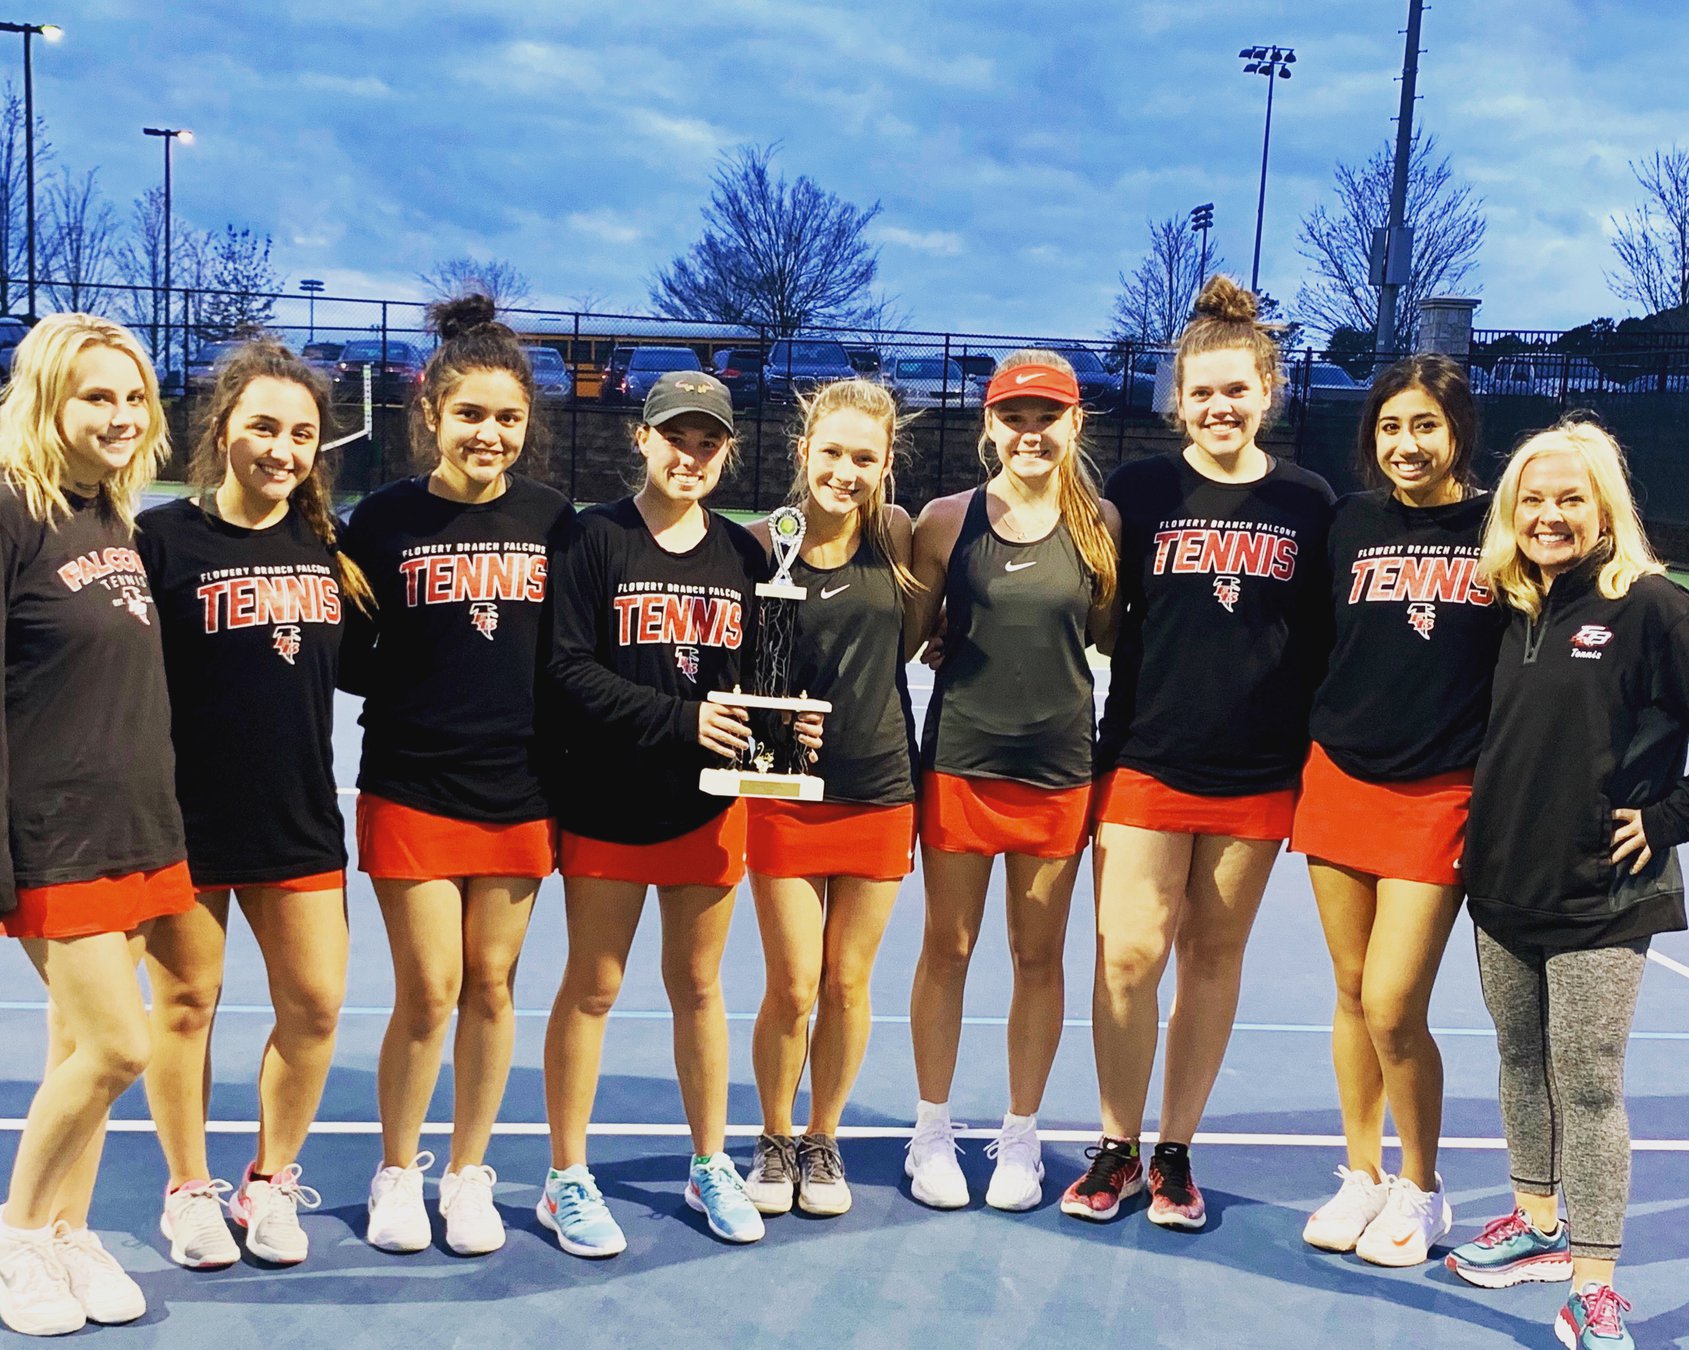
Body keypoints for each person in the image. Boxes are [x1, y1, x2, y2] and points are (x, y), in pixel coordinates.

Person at [1073, 277, 1334, 1229]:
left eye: (1236, 391)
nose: (1218, 408)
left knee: (1210, 960)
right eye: (1201, 393)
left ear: (1267, 392)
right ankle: (1115, 1145)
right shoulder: (1136, 491)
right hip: (1146, 753)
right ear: (1174, 401)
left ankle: (1175, 1152)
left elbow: (1326, 639)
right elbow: (1082, 600)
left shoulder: (1308, 501)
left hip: (1258, 771)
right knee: (1126, 958)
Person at [543, 370, 811, 1253]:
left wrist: (787, 730)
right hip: (607, 804)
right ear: (641, 438)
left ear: (728, 451)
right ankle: (566, 1178)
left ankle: (708, 1163)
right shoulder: (593, 540)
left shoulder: (745, 556)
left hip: (705, 810)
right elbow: (568, 672)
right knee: (594, 988)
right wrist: (681, 720)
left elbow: (757, 683)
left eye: (707, 442)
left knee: (698, 989)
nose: (688, 456)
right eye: (674, 438)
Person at [339, 295, 574, 1257]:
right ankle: (400, 1170)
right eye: (470, 413)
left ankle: (469, 1172)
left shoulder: (558, 522)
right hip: (411, 782)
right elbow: (345, 653)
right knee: (429, 987)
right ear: (430, 410)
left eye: (508, 417)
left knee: (490, 986)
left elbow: (576, 655)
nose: (490, 432)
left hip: (520, 789)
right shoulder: (381, 521)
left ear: (527, 425)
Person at [1443, 420, 1685, 1350]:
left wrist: (1666, 822)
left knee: (1587, 1084)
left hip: (1602, 895)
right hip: (1502, 883)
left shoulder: (1651, 606)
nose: (1549, 515)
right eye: (1532, 499)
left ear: (1603, 508)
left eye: (1568, 498)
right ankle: (1536, 1221)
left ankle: (1593, 1283)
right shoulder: (1509, 605)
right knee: (1517, 1060)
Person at [136, 341, 373, 1268]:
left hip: (299, 818)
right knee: (186, 1004)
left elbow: (377, 665)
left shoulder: (326, 544)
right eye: (265, 427)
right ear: (223, 429)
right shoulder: (162, 541)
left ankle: (270, 1183)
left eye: (302, 434)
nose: (282, 448)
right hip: (185, 821)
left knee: (315, 1005)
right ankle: (188, 1190)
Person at [0, 314, 193, 1335]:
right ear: (47, 402)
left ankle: (69, 1234)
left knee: (77, 1043)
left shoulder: (111, 518)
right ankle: (21, 1238)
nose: (119, 416)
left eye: (132, 397)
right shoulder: (11, 511)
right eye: (95, 397)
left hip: (133, 825)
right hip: (55, 834)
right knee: (121, 1046)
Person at [1290, 355, 1502, 1265]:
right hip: (1340, 775)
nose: (1405, 444)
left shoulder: (1499, 530)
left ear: (1456, 432)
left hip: (1440, 790)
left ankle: (1421, 1188)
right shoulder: (1348, 523)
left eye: (1423, 426)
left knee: (1390, 1002)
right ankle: (1360, 1176)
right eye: (1389, 427)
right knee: (1347, 991)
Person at [904, 350, 1120, 1212]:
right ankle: (930, 1132)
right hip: (960, 761)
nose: (1030, 433)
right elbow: (911, 633)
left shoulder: (1100, 520)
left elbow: (1106, 633)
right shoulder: (944, 519)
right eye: (1013, 417)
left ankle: (1021, 1138)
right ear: (989, 426)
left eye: (1047, 417)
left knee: (1037, 957)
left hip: (1060, 769)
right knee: (946, 949)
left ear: (1073, 425)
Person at [741, 380, 919, 1219]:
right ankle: (773, 1138)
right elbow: (733, 673)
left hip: (880, 786)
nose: (845, 472)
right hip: (783, 794)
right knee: (793, 982)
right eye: (832, 453)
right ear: (803, 449)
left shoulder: (897, 537)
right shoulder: (757, 545)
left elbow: (909, 643)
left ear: (885, 465)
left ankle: (822, 1137)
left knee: (849, 983)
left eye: (863, 458)